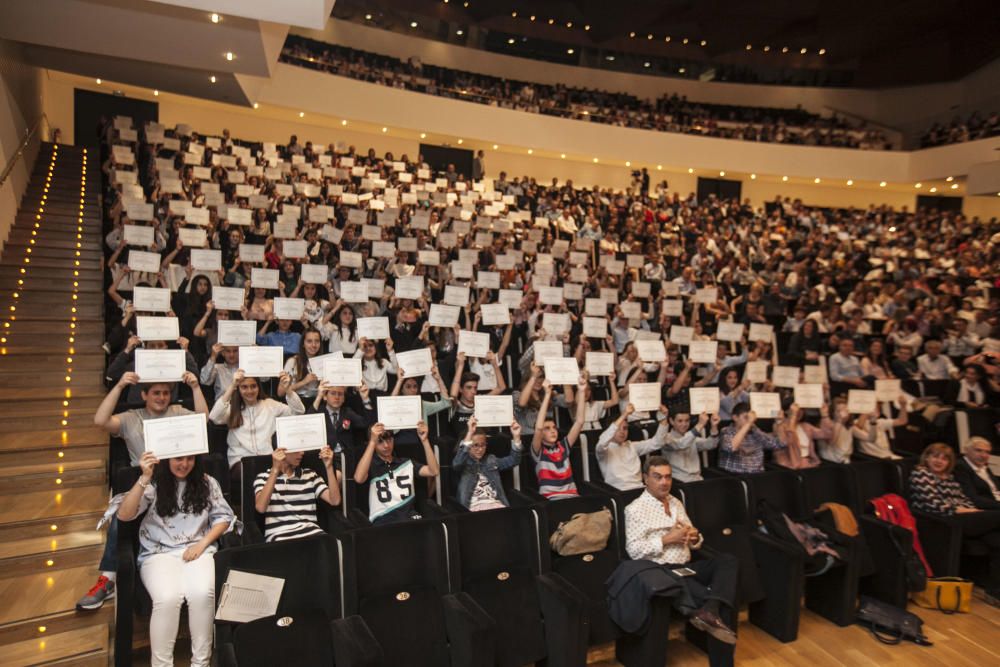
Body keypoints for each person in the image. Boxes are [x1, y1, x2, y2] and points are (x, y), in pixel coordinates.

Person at [78, 370, 207, 612]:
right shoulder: (130, 417)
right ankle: (108, 579)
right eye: (156, 392)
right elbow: (100, 421)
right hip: (145, 480)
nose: (162, 397)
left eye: (166, 393)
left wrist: (196, 387)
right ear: (144, 394)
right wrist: (118, 386)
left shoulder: (178, 412)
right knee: (121, 512)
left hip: (178, 476)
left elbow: (203, 419)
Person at [115, 452, 235, 667]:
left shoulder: (208, 482)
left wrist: (201, 544)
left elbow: (224, 518)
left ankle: (201, 663)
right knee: (168, 598)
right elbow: (124, 515)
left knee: (202, 593)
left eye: (190, 459)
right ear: (167, 459)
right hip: (158, 553)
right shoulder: (152, 483)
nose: (184, 464)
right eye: (179, 459)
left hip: (199, 549)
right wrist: (143, 477)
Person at [623, 456, 739, 644]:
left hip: (687, 566)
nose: (664, 482)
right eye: (658, 477)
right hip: (663, 570)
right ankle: (712, 609)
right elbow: (633, 551)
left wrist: (694, 537)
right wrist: (668, 539)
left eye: (668, 477)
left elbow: (695, 538)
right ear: (645, 478)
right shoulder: (635, 509)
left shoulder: (676, 502)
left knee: (728, 560)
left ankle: (711, 608)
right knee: (724, 604)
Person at [908, 443, 1000, 605]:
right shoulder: (921, 474)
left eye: (944, 459)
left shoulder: (949, 477)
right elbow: (934, 505)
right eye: (935, 456)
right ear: (927, 457)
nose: (939, 461)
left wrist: (972, 511)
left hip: (964, 517)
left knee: (997, 540)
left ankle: (994, 592)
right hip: (944, 522)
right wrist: (967, 511)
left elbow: (964, 500)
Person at [353, 421, 439, 524]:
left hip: (410, 518)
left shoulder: (406, 463)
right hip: (384, 520)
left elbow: (433, 471)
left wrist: (424, 440)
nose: (386, 445)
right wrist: (372, 442)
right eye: (380, 442)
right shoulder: (370, 466)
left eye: (389, 440)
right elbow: (358, 478)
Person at [253, 445, 342, 541]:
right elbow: (260, 508)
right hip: (279, 536)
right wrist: (275, 470)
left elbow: (335, 501)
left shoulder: (310, 475)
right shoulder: (263, 478)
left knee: (333, 543)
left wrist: (329, 467)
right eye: (296, 449)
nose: (302, 453)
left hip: (312, 533)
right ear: (281, 451)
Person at [530, 374, 587, 499]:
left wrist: (582, 391)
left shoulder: (563, 447)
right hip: (551, 499)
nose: (553, 431)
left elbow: (579, 422)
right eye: (547, 428)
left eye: (554, 427)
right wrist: (547, 395)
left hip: (572, 497)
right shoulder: (538, 451)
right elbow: (538, 427)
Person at [452, 418, 523, 511]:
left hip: (496, 505)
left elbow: (514, 460)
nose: (480, 449)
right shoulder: (463, 462)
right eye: (475, 445)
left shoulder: (490, 460)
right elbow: (457, 463)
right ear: (468, 445)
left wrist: (516, 437)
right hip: (473, 508)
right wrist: (469, 433)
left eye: (483, 445)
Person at [595, 403, 670, 491]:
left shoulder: (632, 445)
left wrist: (664, 418)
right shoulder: (603, 450)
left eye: (625, 428)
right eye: (618, 428)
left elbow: (657, 443)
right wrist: (625, 414)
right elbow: (602, 441)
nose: (622, 432)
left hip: (640, 489)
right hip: (618, 492)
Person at [717, 403, 786, 474]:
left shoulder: (755, 430)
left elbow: (779, 444)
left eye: (751, 418)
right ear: (735, 417)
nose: (750, 421)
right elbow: (731, 447)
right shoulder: (727, 431)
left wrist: (779, 422)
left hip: (757, 476)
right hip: (736, 476)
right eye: (746, 417)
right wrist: (748, 423)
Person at [310, 381, 375, 451]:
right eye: (333, 393)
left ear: (344, 399)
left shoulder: (347, 412)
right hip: (325, 455)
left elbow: (367, 423)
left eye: (340, 394)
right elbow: (308, 424)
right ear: (325, 396)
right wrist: (319, 396)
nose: (337, 397)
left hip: (346, 456)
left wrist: (365, 399)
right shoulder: (320, 412)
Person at [660, 408, 720, 483]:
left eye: (687, 420)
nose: (684, 424)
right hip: (678, 481)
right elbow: (681, 444)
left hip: (697, 479)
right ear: (672, 421)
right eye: (680, 421)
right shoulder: (666, 438)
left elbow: (711, 445)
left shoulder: (691, 438)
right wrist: (700, 424)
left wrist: (714, 426)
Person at [953, 437, 1000, 510]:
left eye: (987, 452)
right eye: (978, 450)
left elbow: (996, 489)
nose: (983, 455)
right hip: (986, 509)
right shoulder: (960, 467)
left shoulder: (984, 467)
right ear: (966, 450)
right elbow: (973, 498)